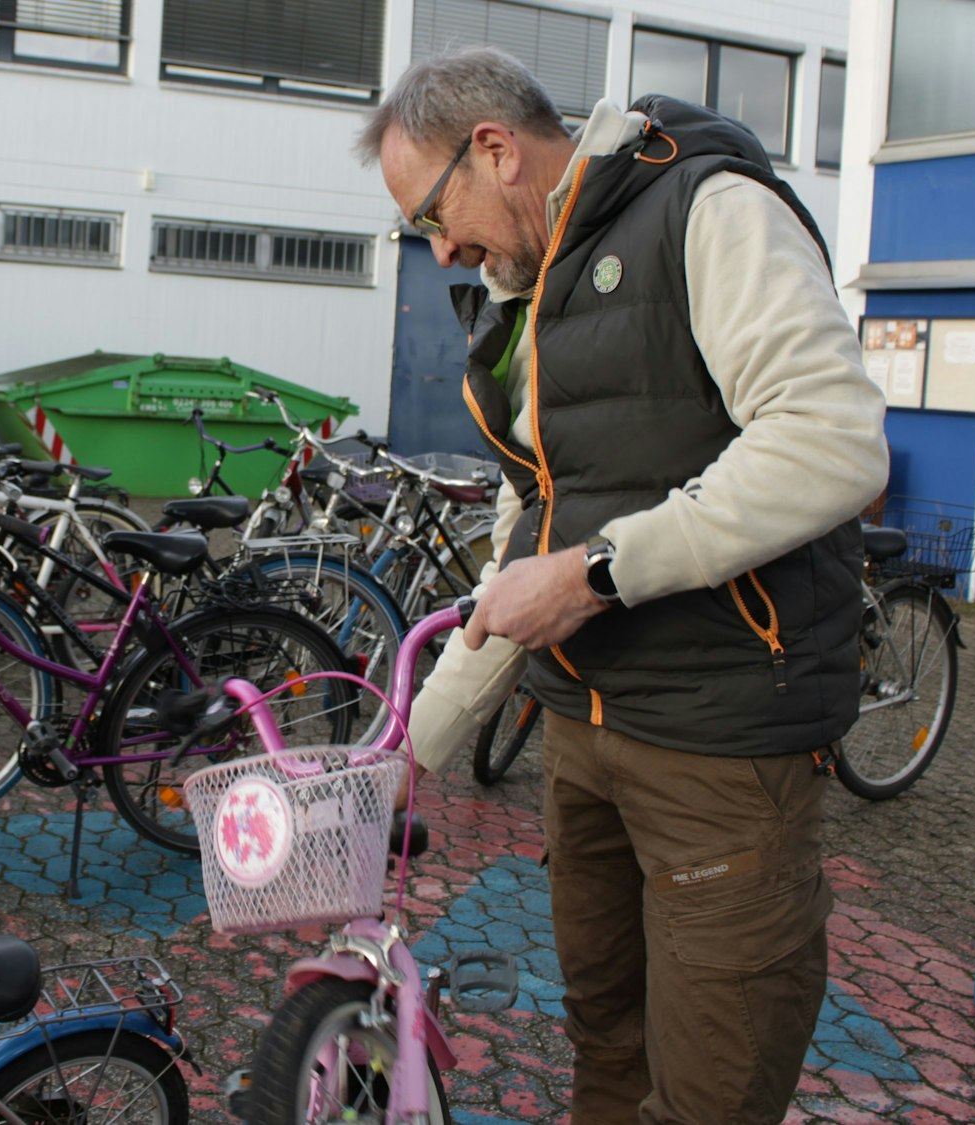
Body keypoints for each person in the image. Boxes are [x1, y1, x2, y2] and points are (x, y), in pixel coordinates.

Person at [359, 48, 887, 1124]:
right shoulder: (522, 294)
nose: (442, 249)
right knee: (604, 1037)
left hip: (719, 742)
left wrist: (599, 575)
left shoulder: (706, 209)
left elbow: (831, 444)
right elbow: (532, 525)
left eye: (430, 215)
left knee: (708, 1082)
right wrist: (416, 745)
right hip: (581, 736)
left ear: (496, 150)